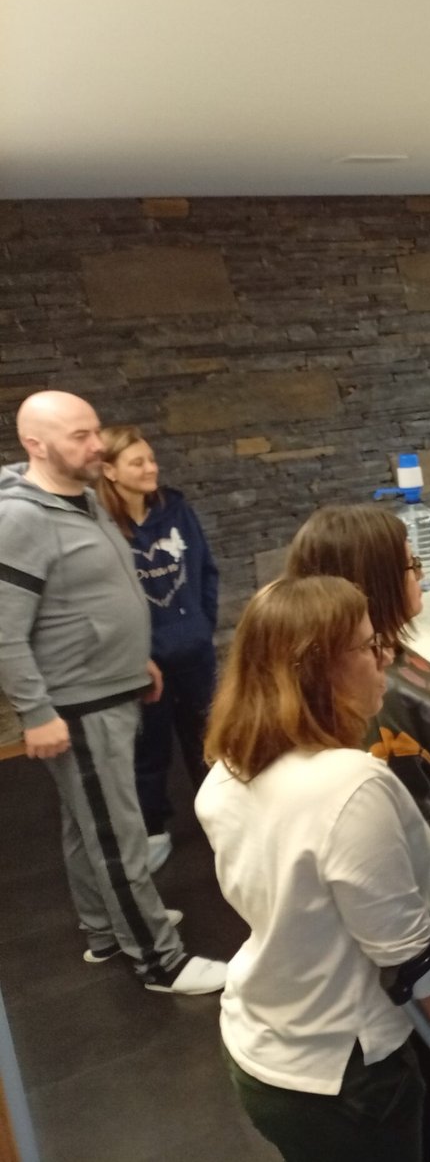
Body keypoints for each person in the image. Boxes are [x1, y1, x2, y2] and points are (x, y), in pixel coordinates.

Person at [197, 575, 430, 1162]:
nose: (385, 658)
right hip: (347, 1073)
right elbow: (406, 958)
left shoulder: (228, 769)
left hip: (260, 1046)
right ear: (318, 671)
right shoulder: (351, 784)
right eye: (369, 647)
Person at [285, 504, 430, 1158]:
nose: (421, 572)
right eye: (411, 564)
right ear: (371, 581)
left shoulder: (382, 666)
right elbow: (414, 850)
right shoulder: (384, 704)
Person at [0, 391, 225, 994]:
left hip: (114, 683)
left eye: (95, 430)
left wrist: (137, 659)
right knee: (118, 835)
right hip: (79, 702)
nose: (96, 445)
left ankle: (105, 929)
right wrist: (36, 711)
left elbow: (101, 592)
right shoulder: (20, 519)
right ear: (35, 444)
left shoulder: (85, 501)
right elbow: (4, 629)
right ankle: (160, 961)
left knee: (88, 825)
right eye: (79, 436)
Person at [95, 424, 220, 873]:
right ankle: (152, 829)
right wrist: (136, 654)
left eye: (151, 459)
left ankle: (222, 819)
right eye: (137, 462)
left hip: (194, 652)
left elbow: (205, 570)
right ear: (109, 471)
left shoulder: (176, 510)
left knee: (209, 740)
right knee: (149, 750)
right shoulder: (100, 526)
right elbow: (104, 600)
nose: (151, 468)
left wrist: (202, 627)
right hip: (144, 664)